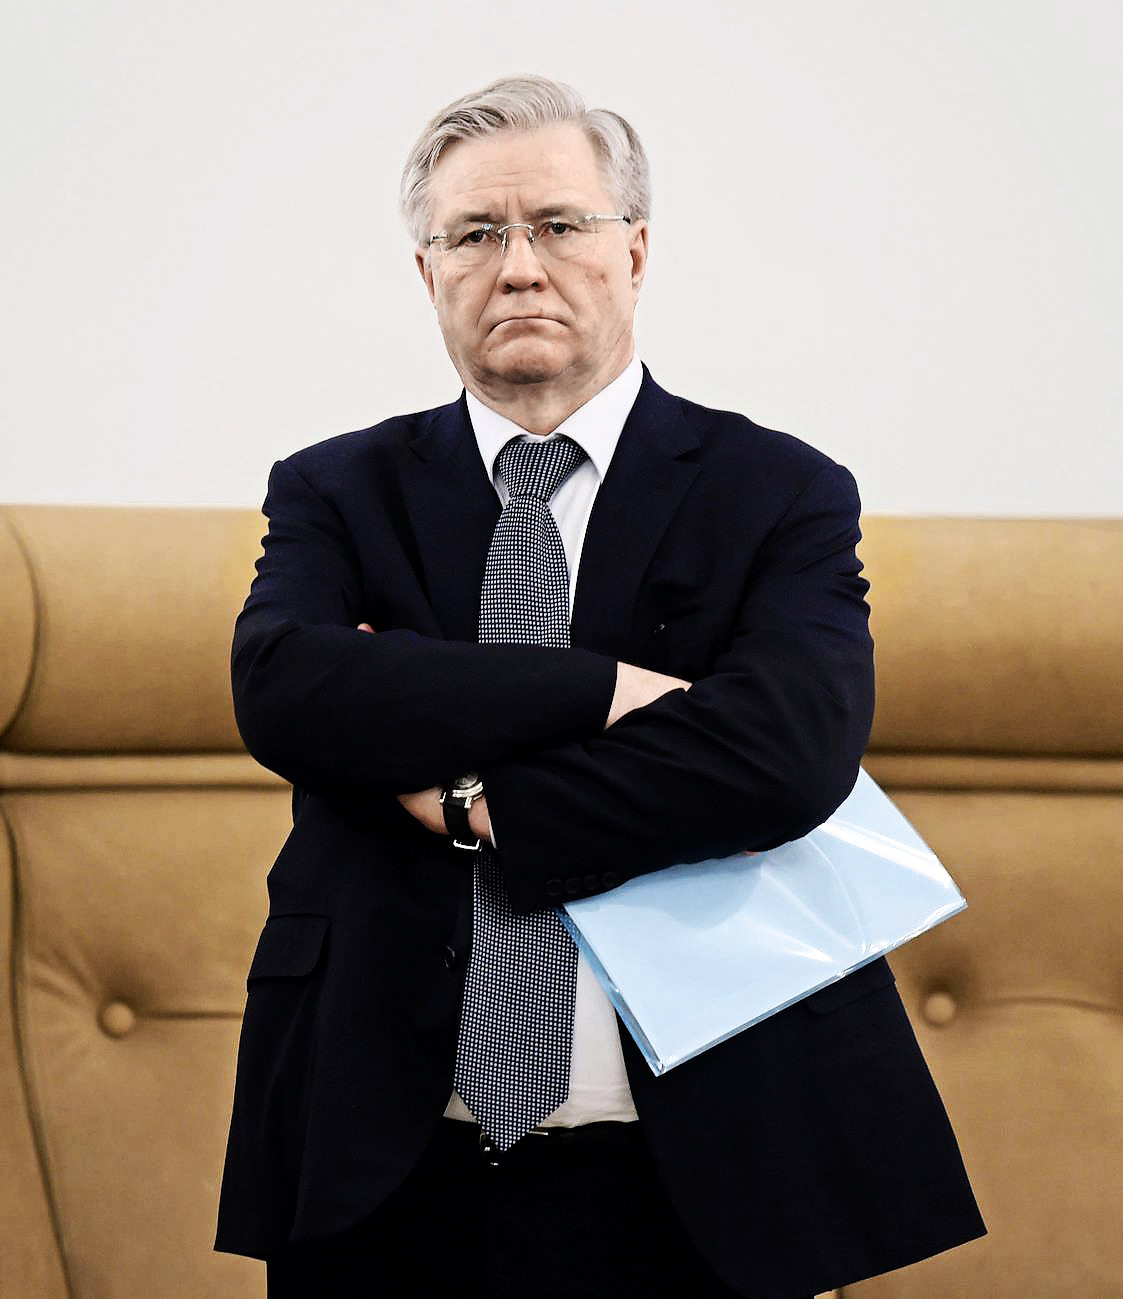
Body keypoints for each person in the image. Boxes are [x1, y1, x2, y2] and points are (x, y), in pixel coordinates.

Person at [216, 75, 985, 1299]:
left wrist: (479, 803)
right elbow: (286, 691)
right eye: (475, 233)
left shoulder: (776, 490)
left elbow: (784, 755)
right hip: (377, 1155)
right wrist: (604, 690)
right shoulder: (335, 490)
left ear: (634, 250)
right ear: (427, 272)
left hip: (705, 1164)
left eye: (558, 225)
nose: (518, 267)